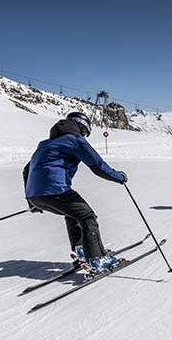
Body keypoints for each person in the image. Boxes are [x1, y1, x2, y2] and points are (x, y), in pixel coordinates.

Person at [23, 112, 127, 275]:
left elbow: (26, 170)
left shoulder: (45, 144)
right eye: (85, 132)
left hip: (35, 195)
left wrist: (32, 202)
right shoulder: (74, 140)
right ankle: (96, 259)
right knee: (87, 217)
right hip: (56, 190)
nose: (84, 136)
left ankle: (83, 252)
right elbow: (97, 164)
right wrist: (118, 177)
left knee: (73, 214)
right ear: (82, 127)